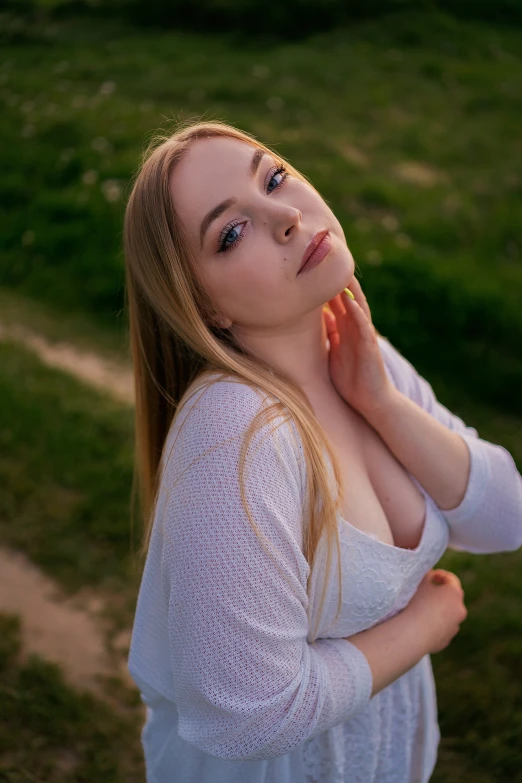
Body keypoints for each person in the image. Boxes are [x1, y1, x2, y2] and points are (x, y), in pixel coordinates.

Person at [124, 119, 522, 783]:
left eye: (274, 176)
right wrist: (421, 628)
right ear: (203, 306)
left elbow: (507, 516)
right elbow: (245, 712)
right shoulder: (234, 433)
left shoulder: (359, 354)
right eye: (230, 233)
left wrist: (383, 405)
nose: (284, 215)